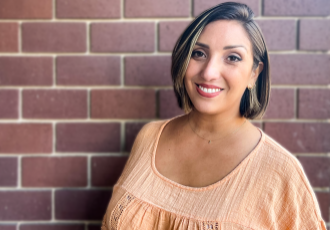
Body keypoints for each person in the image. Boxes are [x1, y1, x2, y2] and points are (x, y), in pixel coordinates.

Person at [101, 2, 327, 230]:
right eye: (199, 53)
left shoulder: (281, 172)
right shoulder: (149, 137)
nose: (209, 72)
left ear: (254, 74)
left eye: (233, 57)